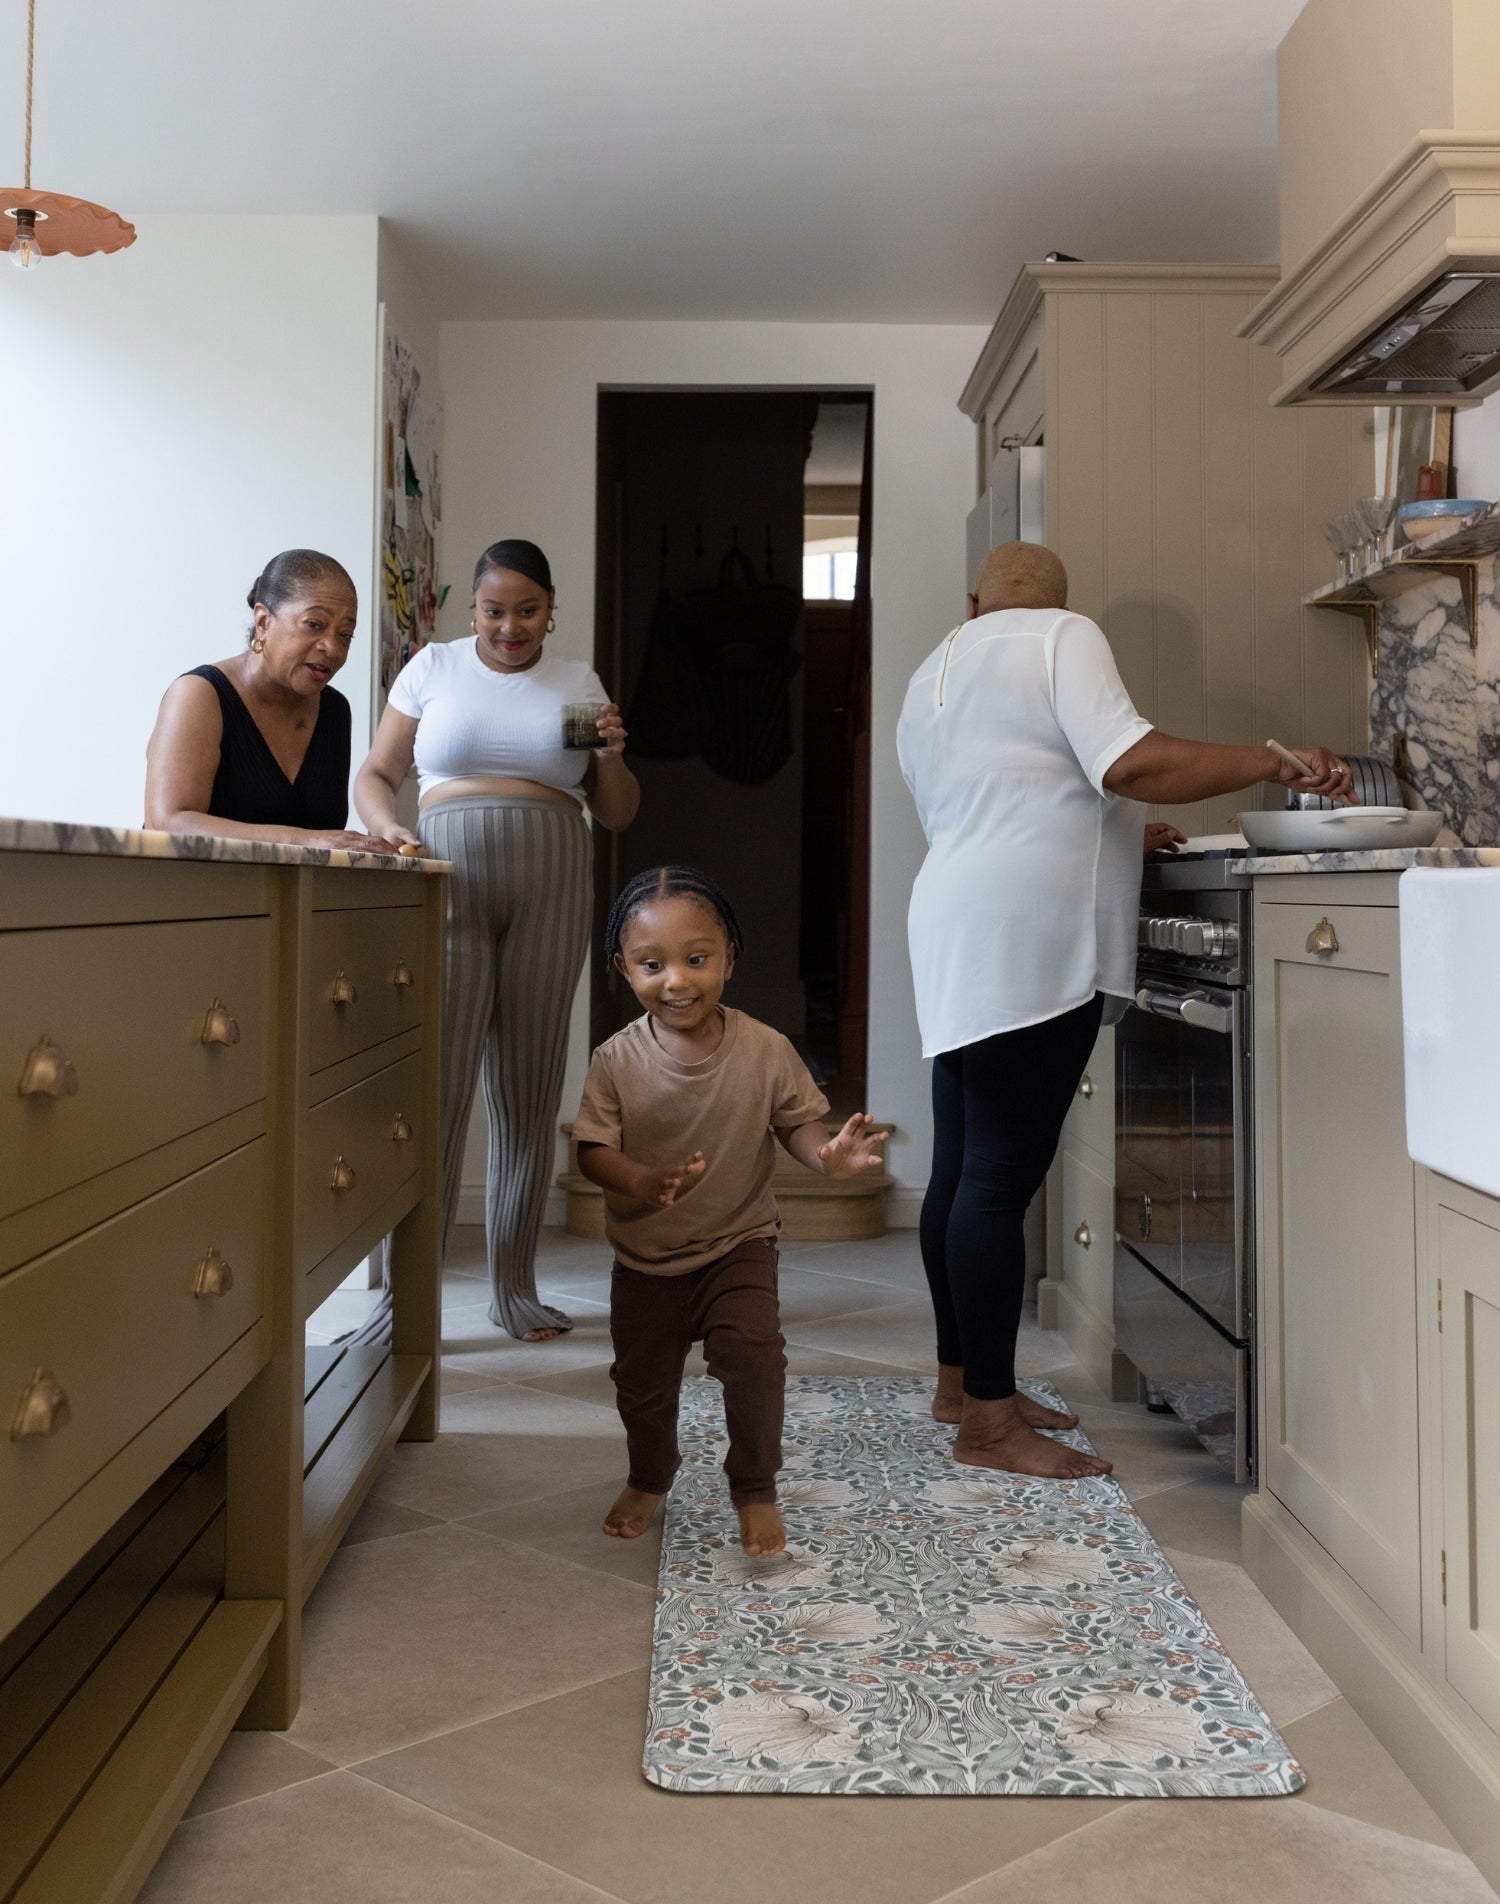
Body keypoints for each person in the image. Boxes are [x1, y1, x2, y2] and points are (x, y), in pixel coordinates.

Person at [897, 540, 1354, 1482]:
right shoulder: (1064, 636)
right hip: (1032, 937)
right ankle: (986, 1424)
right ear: (1058, 600)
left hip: (952, 924)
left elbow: (1010, 796)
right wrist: (1277, 760)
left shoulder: (931, 672)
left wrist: (1116, 834)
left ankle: (962, 1385)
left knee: (959, 1174)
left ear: (975, 599)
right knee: (994, 1183)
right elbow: (1134, 761)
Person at [355, 539, 641, 1341]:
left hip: (553, 875)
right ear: (471, 610)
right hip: (449, 872)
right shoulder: (432, 670)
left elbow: (613, 809)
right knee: (436, 1090)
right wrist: (388, 832)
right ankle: (402, 1303)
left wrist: (613, 755)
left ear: (550, 608)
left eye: (526, 611)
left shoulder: (578, 683)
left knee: (526, 1088)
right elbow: (377, 775)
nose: (509, 627)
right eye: (493, 610)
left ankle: (512, 1288)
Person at [572, 866, 888, 1556]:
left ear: (729, 959)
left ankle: (754, 1488)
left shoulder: (766, 1050)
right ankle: (652, 1475)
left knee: (752, 1359)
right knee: (642, 1384)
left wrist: (827, 1157)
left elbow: (796, 1127)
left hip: (739, 1242)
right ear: (622, 969)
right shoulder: (615, 1060)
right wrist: (641, 1178)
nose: (677, 981)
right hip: (647, 1257)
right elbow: (591, 1152)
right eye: (652, 964)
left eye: (696, 959)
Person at [145, 549, 398, 853]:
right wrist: (309, 840)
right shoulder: (198, 695)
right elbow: (167, 822)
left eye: (345, 635)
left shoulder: (335, 710)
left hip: (285, 899)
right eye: (314, 624)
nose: (332, 647)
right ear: (263, 622)